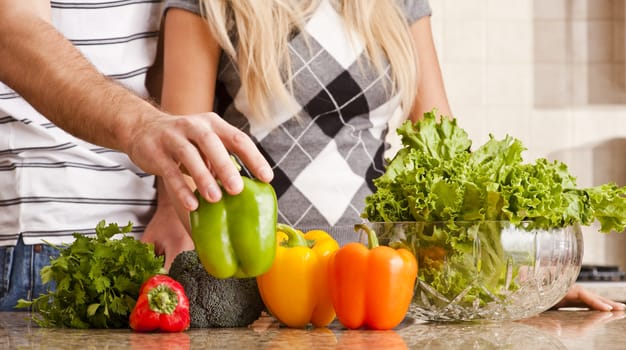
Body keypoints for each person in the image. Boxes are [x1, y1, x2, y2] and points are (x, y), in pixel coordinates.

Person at [149, 0, 626, 313]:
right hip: (264, 293)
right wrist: (171, 215)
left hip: (378, 291)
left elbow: (443, 151)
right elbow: (182, 143)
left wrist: (517, 283)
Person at [0, 0, 271, 311]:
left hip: (140, 245)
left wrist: (169, 202)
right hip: (45, 237)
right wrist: (142, 124)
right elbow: (11, 30)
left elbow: (154, 46)